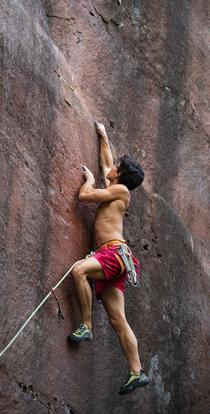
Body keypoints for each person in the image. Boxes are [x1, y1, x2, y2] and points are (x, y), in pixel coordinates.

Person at [68, 122, 149, 395]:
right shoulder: (116, 187)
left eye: (118, 166)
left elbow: (85, 195)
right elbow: (107, 162)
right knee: (118, 320)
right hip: (116, 258)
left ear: (121, 174)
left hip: (113, 253)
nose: (112, 167)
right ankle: (137, 373)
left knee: (79, 271)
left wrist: (89, 180)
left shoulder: (121, 191)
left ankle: (86, 327)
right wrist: (103, 135)